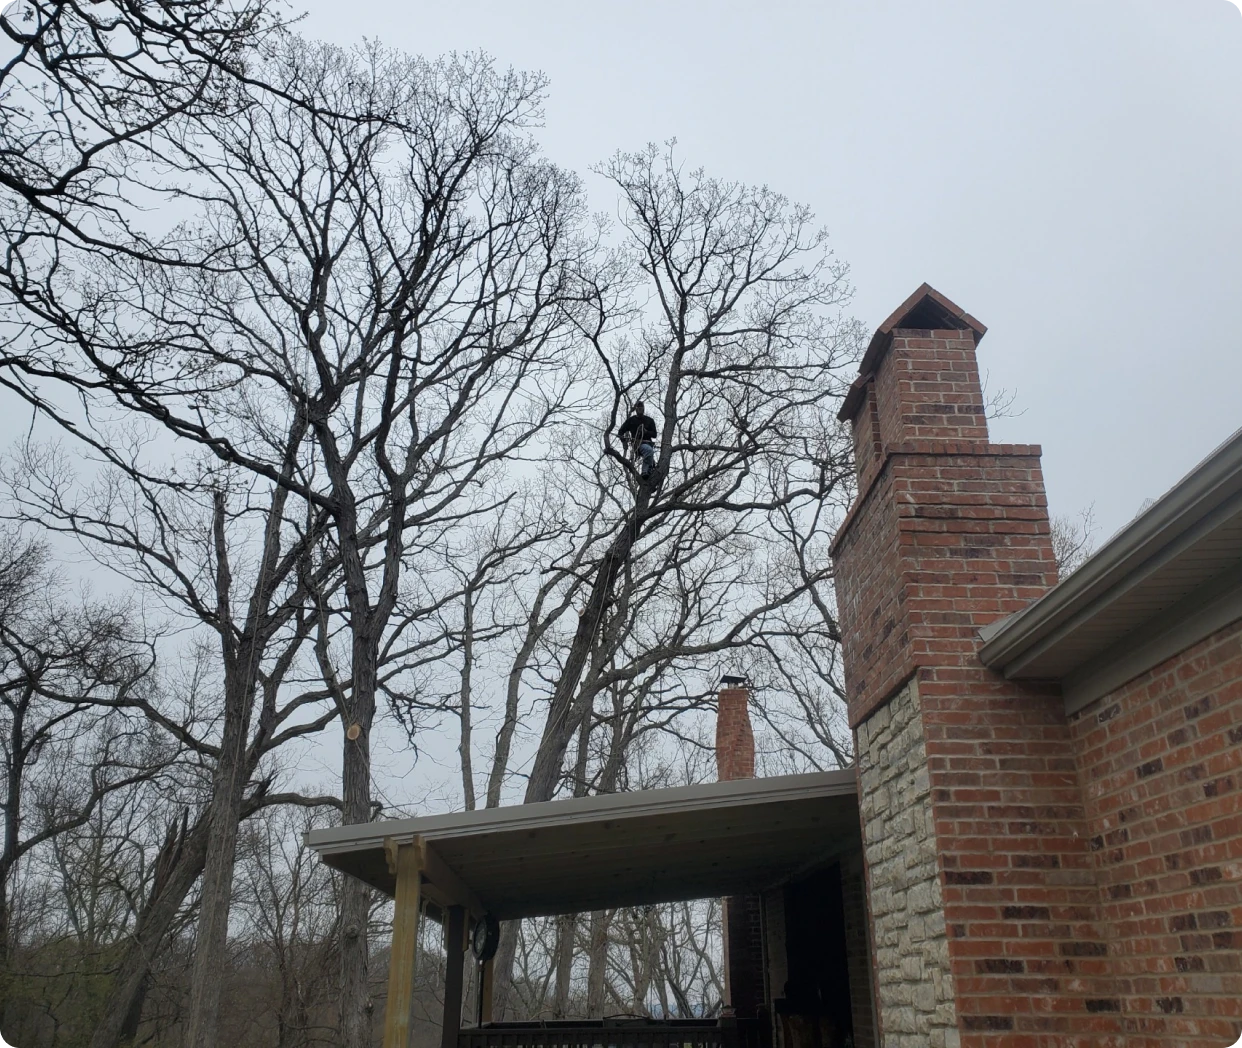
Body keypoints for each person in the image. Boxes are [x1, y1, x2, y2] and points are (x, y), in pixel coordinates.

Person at [617, 400, 657, 480]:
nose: (640, 409)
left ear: (643, 409)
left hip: (648, 443)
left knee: (652, 464)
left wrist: (646, 432)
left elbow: (654, 434)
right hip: (637, 444)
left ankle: (649, 479)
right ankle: (644, 471)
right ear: (636, 409)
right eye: (638, 408)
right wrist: (624, 441)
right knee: (649, 451)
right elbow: (620, 431)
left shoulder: (649, 420)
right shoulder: (631, 420)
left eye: (641, 407)